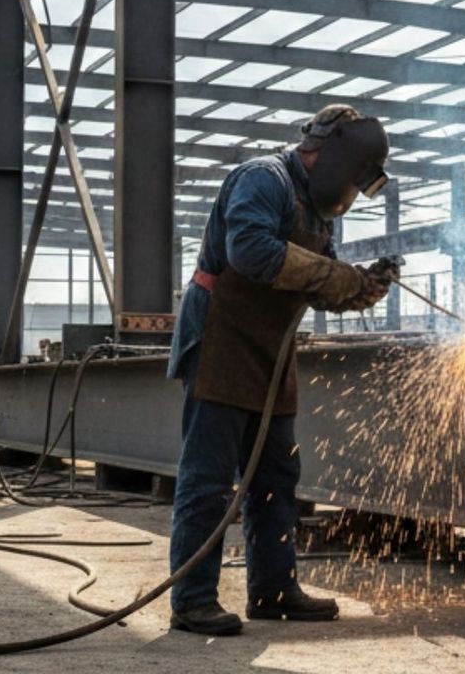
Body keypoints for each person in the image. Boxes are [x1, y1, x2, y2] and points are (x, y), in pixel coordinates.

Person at [165, 104, 397, 636]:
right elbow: (247, 251)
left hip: (272, 351)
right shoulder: (262, 179)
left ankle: (272, 590)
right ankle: (192, 599)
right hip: (222, 339)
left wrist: (363, 286)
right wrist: (337, 276)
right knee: (208, 479)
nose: (351, 194)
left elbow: (322, 287)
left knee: (276, 477)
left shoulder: (318, 212)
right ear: (327, 155)